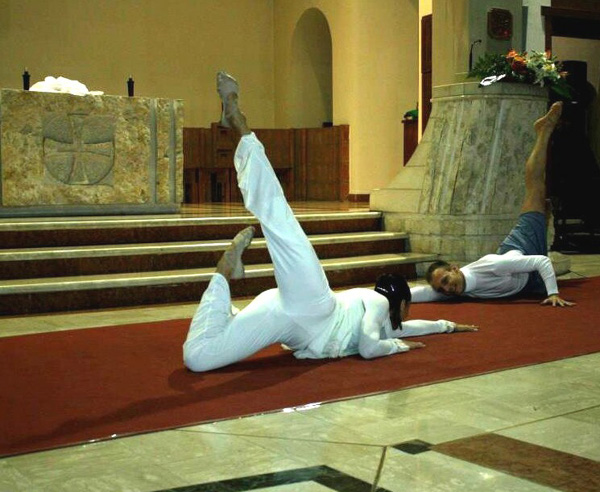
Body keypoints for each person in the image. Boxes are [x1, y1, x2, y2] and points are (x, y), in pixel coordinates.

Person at [182, 72, 478, 372]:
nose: (407, 314)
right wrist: (398, 347)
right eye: (406, 307)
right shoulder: (375, 303)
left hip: (292, 327)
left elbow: (414, 327)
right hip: (312, 302)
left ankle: (222, 277)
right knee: (280, 222)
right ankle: (239, 122)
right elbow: (368, 347)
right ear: (398, 302)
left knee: (199, 359)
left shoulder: (386, 322)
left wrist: (447, 326)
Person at [411, 102, 575, 308]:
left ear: (455, 268)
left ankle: (544, 131)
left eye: (445, 282)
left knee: (536, 187)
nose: (446, 289)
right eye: (441, 289)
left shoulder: (492, 266)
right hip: (527, 282)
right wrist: (382, 295)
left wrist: (553, 293)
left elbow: (542, 262)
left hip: (522, 248)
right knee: (541, 209)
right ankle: (544, 215)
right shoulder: (457, 289)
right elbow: (424, 293)